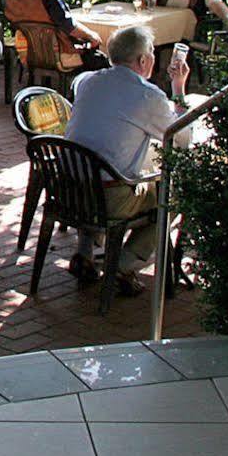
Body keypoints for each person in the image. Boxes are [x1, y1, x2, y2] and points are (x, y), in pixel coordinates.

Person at [61, 23, 194, 295]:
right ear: (144, 59)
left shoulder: (87, 81)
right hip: (109, 200)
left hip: (67, 190)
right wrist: (178, 88)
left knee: (107, 162)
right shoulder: (147, 96)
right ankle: (124, 263)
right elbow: (182, 139)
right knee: (176, 192)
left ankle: (86, 252)